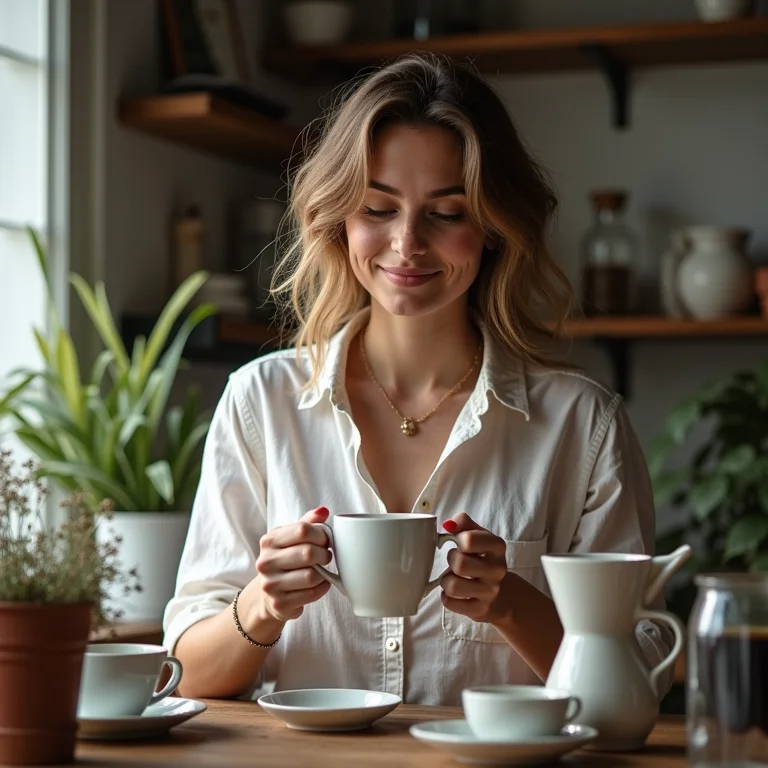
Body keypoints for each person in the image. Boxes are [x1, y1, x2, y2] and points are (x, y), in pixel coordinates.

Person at [163, 52, 673, 706]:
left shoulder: (584, 426)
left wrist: (512, 604)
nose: (407, 244)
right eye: (377, 208)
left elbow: (638, 679)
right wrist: (262, 606)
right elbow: (188, 672)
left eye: (446, 213)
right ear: (339, 220)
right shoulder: (262, 403)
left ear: (492, 227)